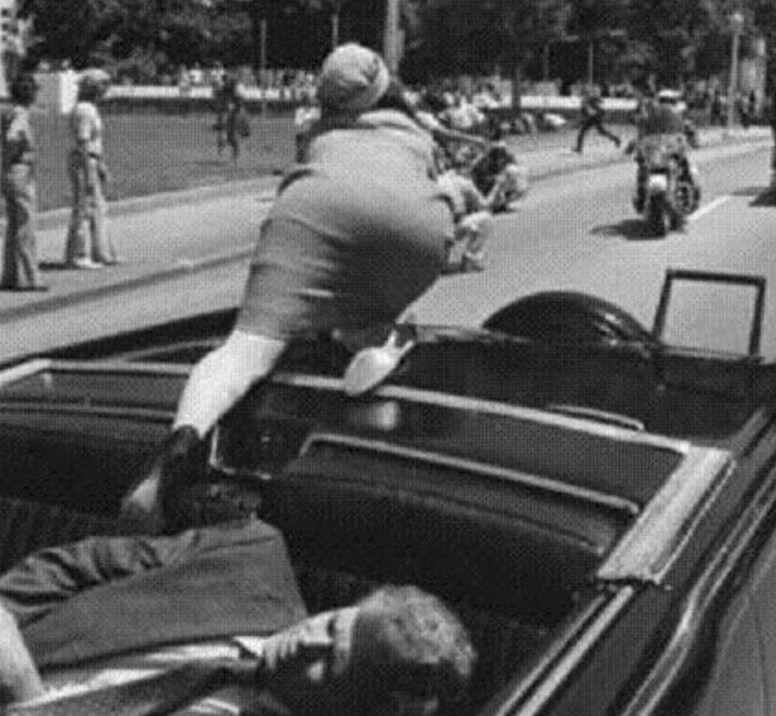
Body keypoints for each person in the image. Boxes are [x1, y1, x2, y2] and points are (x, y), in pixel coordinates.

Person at [120, 44, 454, 532]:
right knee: (376, 296)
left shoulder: (318, 133)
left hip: (310, 204)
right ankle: (374, 338)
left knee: (242, 352)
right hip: (411, 223)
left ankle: (177, 449)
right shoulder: (415, 132)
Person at [0, 518, 477, 716]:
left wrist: (25, 696)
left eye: (332, 663)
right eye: (332, 624)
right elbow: (77, 565)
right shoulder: (249, 556)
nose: (307, 641)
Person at [63, 70, 120, 269]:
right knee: (84, 208)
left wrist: (101, 165)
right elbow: (83, 141)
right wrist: (88, 170)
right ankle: (77, 255)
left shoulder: (90, 109)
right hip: (83, 160)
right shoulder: (84, 110)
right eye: (103, 87)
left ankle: (102, 251)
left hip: (92, 158)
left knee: (98, 207)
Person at [0, 73, 46, 292]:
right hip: (20, 169)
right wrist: (14, 156)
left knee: (14, 225)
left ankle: (12, 275)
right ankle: (29, 276)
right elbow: (12, 137)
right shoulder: (20, 114)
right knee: (25, 224)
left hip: (10, 171)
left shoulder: (9, 112)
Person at [574, 87, 621, 154]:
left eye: (581, 93)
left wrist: (595, 106)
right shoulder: (587, 99)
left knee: (583, 131)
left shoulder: (586, 99)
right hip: (594, 116)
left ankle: (579, 148)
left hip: (595, 117)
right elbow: (599, 102)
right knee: (600, 132)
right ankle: (616, 139)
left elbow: (597, 104)